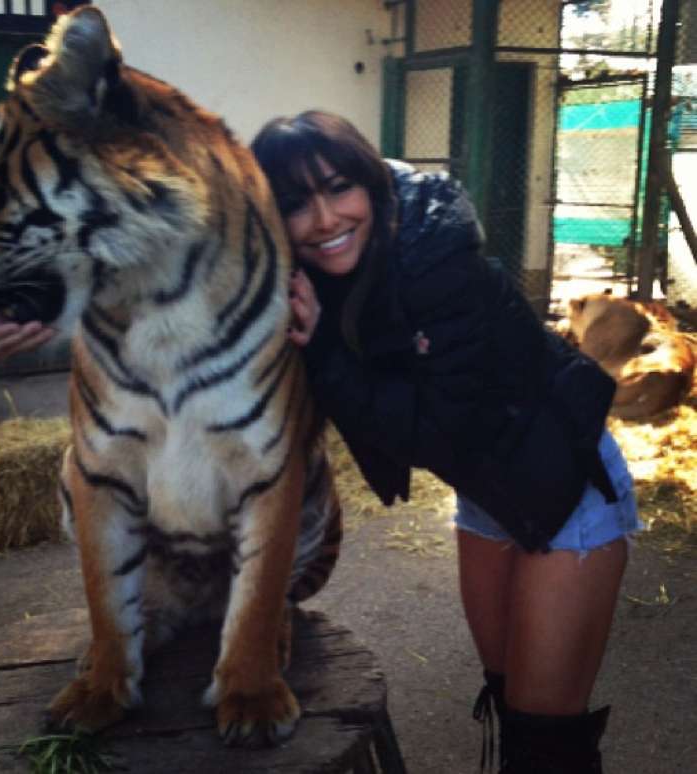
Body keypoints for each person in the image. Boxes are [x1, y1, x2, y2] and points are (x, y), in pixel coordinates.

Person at [251, 110, 640, 774]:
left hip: (570, 491)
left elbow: (434, 430)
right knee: (509, 699)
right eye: (296, 204)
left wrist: (323, 357)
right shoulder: (323, 269)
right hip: (490, 496)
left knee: (547, 738)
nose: (323, 219)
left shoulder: (436, 263)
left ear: (370, 183)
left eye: (338, 188)